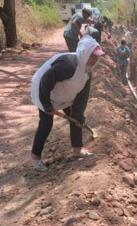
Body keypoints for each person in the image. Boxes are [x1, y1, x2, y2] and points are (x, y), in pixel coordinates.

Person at [30, 35, 105, 171]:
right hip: (45, 93)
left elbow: (82, 97)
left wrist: (79, 115)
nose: (94, 60)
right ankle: (36, 157)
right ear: (84, 53)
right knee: (46, 124)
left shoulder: (87, 72)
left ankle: (77, 149)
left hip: (64, 95)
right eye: (92, 56)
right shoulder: (68, 65)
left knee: (76, 118)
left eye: (96, 57)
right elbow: (45, 81)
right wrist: (47, 104)